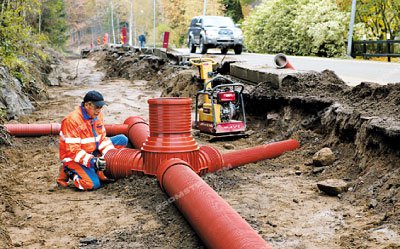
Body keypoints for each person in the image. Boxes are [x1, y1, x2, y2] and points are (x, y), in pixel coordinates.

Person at [56, 90, 128, 190]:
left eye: (100, 107)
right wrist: (93, 161)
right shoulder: (72, 121)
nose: (99, 111)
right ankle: (69, 171)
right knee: (91, 184)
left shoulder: (97, 116)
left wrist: (111, 156)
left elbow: (102, 139)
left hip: (91, 150)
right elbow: (73, 151)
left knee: (122, 139)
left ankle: (97, 170)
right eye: (96, 107)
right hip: (73, 157)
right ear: (87, 105)